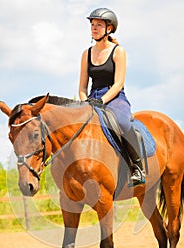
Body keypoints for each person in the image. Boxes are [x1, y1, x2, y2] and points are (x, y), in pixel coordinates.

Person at [79, 7, 145, 187]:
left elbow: (118, 83)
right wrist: (85, 102)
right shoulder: (86, 54)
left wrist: (102, 101)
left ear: (109, 28)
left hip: (114, 97)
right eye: (92, 25)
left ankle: (138, 167)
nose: (94, 28)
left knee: (123, 122)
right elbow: (82, 86)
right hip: (92, 98)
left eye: (98, 25)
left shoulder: (118, 51)